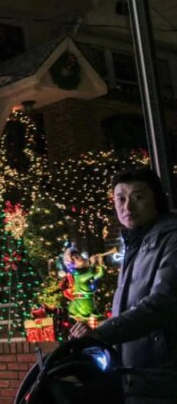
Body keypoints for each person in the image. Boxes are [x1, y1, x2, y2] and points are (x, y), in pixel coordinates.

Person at [71, 168, 177, 402]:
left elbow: (162, 303)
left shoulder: (171, 239)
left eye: (138, 197)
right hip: (138, 378)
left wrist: (102, 333)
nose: (127, 207)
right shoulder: (136, 243)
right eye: (120, 198)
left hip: (163, 379)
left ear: (156, 199)